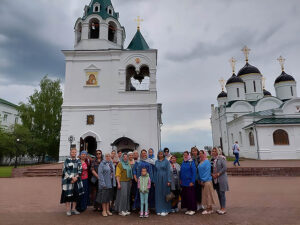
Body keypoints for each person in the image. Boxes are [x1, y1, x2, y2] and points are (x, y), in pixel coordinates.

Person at [60, 148, 84, 216]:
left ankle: (73, 209)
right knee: (68, 196)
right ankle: (68, 210)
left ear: (76, 153)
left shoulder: (78, 160)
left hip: (76, 180)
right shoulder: (67, 160)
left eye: (75, 152)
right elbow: (65, 170)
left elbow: (80, 169)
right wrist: (71, 177)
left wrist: (76, 177)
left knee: (75, 196)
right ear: (70, 153)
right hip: (68, 181)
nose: (73, 153)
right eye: (72, 152)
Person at [198, 150, 218, 215]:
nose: (200, 154)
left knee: (208, 195)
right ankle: (209, 208)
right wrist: (200, 180)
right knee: (205, 195)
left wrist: (203, 180)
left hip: (207, 181)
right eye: (199, 153)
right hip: (202, 181)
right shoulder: (200, 161)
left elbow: (207, 172)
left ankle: (209, 209)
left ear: (204, 154)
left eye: (201, 153)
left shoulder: (207, 162)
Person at [211, 147, 229, 215]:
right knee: (219, 194)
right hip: (215, 179)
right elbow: (210, 167)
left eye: (215, 151)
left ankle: (224, 208)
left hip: (221, 178)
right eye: (213, 151)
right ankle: (221, 208)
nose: (213, 152)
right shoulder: (212, 159)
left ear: (218, 152)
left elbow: (225, 168)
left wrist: (218, 173)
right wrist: (212, 174)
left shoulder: (222, 158)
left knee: (222, 193)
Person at [155, 150, 172, 216]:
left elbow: (169, 171)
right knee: (158, 194)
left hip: (165, 178)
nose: (160, 155)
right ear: (158, 154)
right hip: (157, 179)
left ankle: (166, 209)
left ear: (163, 154)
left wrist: (169, 180)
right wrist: (154, 181)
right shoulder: (156, 162)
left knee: (165, 193)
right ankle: (159, 209)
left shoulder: (166, 161)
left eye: (161, 154)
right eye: (159, 154)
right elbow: (155, 171)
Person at [180, 151, 197, 216]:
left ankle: (192, 209)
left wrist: (192, 181)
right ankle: (188, 209)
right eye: (184, 155)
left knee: (191, 196)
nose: (185, 156)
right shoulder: (183, 162)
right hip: (184, 183)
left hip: (190, 182)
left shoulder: (191, 162)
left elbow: (194, 172)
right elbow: (181, 172)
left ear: (188, 155)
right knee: (186, 196)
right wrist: (181, 180)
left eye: (186, 155)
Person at [191, 146, 202, 211]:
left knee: (200, 191)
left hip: (200, 177)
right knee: (195, 191)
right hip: (194, 177)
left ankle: (201, 204)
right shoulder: (191, 159)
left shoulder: (200, 158)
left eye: (195, 151)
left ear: (197, 151)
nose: (194, 152)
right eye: (193, 151)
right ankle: (197, 204)